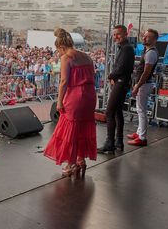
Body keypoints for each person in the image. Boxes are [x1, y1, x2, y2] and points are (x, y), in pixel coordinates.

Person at [44, 28, 97, 178]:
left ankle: (71, 163)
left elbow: (64, 81)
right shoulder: (87, 57)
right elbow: (92, 75)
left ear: (61, 47)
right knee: (83, 126)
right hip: (90, 96)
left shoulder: (67, 57)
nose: (59, 54)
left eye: (58, 50)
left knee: (71, 129)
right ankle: (81, 159)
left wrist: (59, 101)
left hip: (76, 97)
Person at [98, 25, 135, 153]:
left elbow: (121, 68)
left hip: (120, 83)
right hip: (121, 82)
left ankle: (110, 143)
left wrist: (110, 76)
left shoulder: (127, 49)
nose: (115, 37)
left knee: (109, 112)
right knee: (118, 111)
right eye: (114, 35)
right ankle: (118, 141)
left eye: (117, 34)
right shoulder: (125, 48)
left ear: (125, 34)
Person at [128, 29, 159, 146]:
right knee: (140, 109)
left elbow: (146, 72)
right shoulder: (148, 51)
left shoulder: (151, 53)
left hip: (144, 84)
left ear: (154, 40)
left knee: (141, 111)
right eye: (144, 36)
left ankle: (142, 138)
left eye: (148, 37)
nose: (144, 38)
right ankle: (139, 132)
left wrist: (137, 86)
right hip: (143, 84)